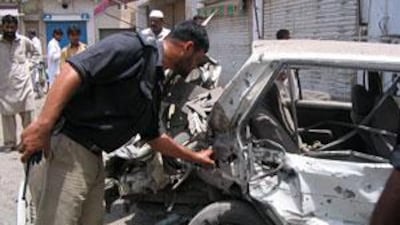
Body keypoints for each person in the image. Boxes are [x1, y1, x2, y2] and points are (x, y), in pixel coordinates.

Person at [20, 20, 214, 225]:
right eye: (198, 60)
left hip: (94, 158)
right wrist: (44, 124)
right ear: (188, 48)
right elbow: (74, 70)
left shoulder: (155, 79)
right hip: (69, 150)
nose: (195, 67)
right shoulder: (132, 47)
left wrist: (196, 157)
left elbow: (154, 138)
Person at [0, 15, 40, 151]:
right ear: (2, 27)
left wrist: (29, 65)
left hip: (24, 85)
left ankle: (28, 141)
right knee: (7, 116)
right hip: (5, 85)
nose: (10, 30)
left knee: (28, 115)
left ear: (16, 27)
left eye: (12, 27)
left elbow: (36, 54)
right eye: (7, 27)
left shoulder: (23, 41)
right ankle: (10, 143)